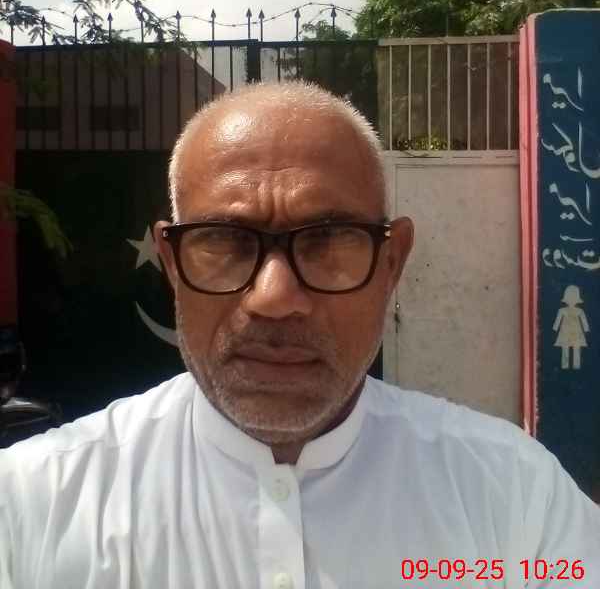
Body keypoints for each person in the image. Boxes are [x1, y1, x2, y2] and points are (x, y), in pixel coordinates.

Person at [1, 81, 598, 589]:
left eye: (327, 240)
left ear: (392, 263)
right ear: (171, 264)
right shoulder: (32, 506)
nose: (275, 298)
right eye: (226, 241)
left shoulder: (513, 497)